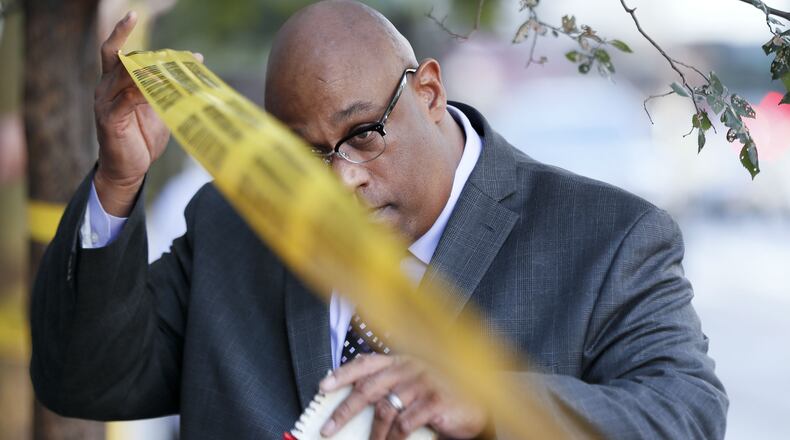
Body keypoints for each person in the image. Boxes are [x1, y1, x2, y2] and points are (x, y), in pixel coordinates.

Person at [30, 1, 728, 438]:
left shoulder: (610, 241)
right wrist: (119, 181)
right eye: (303, 156)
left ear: (429, 91)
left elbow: (687, 416)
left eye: (363, 134)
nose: (342, 181)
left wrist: (490, 404)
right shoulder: (235, 224)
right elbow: (85, 381)